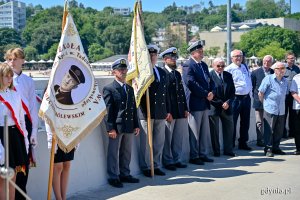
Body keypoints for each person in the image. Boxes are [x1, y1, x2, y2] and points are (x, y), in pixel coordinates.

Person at [5, 48, 38, 199]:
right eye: (9, 59)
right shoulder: (3, 80)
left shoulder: (28, 81)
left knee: (24, 167)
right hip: (8, 125)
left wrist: (34, 132)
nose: (12, 62)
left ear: (22, 61)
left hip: (25, 124)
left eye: (15, 59)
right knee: (10, 168)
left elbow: (32, 107)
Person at [103, 58, 140, 188]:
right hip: (117, 127)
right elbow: (108, 111)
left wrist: (136, 125)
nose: (123, 72)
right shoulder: (109, 89)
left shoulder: (129, 89)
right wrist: (110, 128)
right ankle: (113, 176)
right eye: (120, 70)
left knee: (127, 151)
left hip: (129, 125)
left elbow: (133, 108)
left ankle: (125, 174)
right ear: (114, 72)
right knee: (113, 153)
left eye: (124, 69)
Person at [138, 44, 172, 177]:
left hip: (160, 112)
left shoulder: (162, 72)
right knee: (147, 143)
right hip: (146, 112)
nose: (152, 57)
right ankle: (146, 166)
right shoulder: (143, 73)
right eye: (150, 55)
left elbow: (166, 94)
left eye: (154, 55)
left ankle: (156, 164)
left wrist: (167, 110)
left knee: (159, 141)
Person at [182, 40, 214, 165]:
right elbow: (190, 83)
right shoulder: (188, 65)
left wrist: (211, 92)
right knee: (195, 132)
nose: (202, 54)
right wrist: (206, 94)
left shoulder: (203, 65)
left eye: (202, 51)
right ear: (193, 53)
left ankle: (203, 153)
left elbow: (209, 81)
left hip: (205, 102)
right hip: (195, 103)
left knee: (204, 131)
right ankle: (194, 156)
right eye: (200, 52)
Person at [0, 63, 29, 200]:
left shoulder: (15, 94)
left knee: (13, 175)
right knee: (3, 178)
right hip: (1, 137)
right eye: (6, 76)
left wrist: (26, 139)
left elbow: (21, 119)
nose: (10, 78)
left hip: (15, 135)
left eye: (11, 75)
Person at [160, 47, 188, 171]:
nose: (174, 60)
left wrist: (185, 108)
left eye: (175, 58)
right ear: (165, 59)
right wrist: (166, 111)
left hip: (180, 110)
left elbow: (182, 92)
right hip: (170, 111)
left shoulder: (177, 73)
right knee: (168, 138)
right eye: (172, 58)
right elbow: (164, 95)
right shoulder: (162, 74)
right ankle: (168, 160)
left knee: (178, 137)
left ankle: (177, 159)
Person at [258, 62, 288, 157]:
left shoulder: (285, 81)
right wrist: (265, 104)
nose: (282, 70)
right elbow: (261, 93)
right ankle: (268, 149)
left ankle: (276, 147)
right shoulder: (268, 78)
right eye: (280, 68)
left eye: (283, 68)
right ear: (275, 70)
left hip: (281, 109)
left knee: (279, 130)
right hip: (270, 108)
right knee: (269, 130)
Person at [225, 49, 252, 150]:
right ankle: (230, 144)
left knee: (245, 122)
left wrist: (250, 92)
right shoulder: (229, 69)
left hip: (246, 98)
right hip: (235, 99)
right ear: (231, 58)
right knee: (233, 121)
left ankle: (243, 143)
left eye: (240, 56)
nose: (238, 58)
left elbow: (248, 80)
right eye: (236, 56)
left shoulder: (245, 67)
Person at [209, 58, 236, 157]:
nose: (220, 68)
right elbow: (210, 94)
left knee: (229, 128)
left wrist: (228, 102)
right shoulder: (209, 76)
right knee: (215, 131)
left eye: (222, 66)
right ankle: (216, 151)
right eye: (218, 66)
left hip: (227, 107)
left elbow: (233, 91)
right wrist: (221, 103)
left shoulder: (228, 75)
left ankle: (228, 150)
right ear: (213, 65)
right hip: (215, 107)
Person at [45, 122, 75, 200]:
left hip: (69, 133)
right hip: (56, 132)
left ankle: (63, 197)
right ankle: (59, 198)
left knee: (67, 165)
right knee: (58, 167)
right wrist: (51, 140)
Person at [251, 55, 274, 147]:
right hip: (259, 101)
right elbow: (253, 87)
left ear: (271, 63)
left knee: (269, 122)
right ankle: (260, 140)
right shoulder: (255, 72)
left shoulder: (273, 72)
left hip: (271, 102)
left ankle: (268, 140)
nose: (266, 63)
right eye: (265, 61)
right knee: (259, 122)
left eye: (268, 61)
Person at [283, 52, 300, 138]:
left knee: (293, 115)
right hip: (284, 95)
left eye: (293, 58)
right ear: (286, 59)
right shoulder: (282, 68)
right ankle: (283, 133)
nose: (292, 60)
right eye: (290, 58)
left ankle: (292, 132)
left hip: (294, 95)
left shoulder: (297, 69)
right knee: (284, 114)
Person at [290, 73, 300, 155]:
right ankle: (298, 148)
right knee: (297, 129)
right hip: (298, 107)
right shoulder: (296, 78)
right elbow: (293, 92)